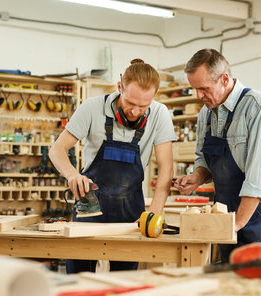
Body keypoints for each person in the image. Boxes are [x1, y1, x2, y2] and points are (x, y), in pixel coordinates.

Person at [175, 49, 261, 296]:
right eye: (194, 89)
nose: (199, 96)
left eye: (204, 88)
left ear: (225, 79)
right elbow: (204, 159)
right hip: (225, 210)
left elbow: (258, 177)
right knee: (229, 291)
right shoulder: (206, 113)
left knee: (257, 295)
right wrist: (196, 177)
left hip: (259, 212)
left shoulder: (259, 108)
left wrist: (237, 224)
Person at [49, 58, 176, 274]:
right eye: (130, 103)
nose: (136, 111)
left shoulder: (160, 114)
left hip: (130, 215)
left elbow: (166, 168)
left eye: (143, 106)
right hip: (90, 210)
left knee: (124, 282)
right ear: (119, 88)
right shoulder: (92, 108)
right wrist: (71, 174)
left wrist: (155, 210)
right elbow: (57, 150)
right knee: (80, 281)